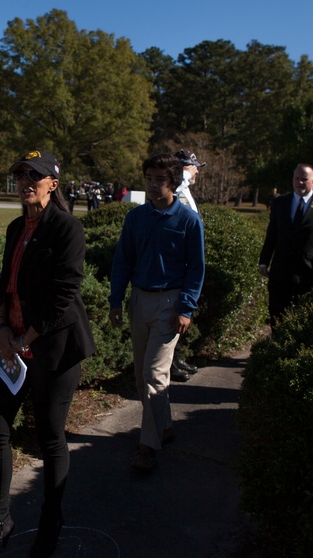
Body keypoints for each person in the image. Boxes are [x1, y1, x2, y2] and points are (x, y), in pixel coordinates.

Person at [0, 150, 96, 558]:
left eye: (34, 176)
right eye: (21, 175)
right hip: (13, 347)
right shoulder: (14, 227)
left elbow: (64, 295)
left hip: (53, 349)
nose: (25, 181)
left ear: (53, 184)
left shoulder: (67, 228)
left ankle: (51, 524)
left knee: (50, 439)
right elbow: (7, 283)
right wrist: (2, 327)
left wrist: (29, 336)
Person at [109, 154, 205, 471]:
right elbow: (122, 260)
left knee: (153, 375)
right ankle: (163, 426)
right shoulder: (136, 218)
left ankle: (147, 447)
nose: (152, 184)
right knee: (142, 377)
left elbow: (196, 269)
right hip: (139, 300)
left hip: (170, 303)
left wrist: (186, 308)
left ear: (174, 183)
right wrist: (116, 301)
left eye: (160, 179)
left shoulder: (189, 221)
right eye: (149, 177)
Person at [257, 164, 313, 327]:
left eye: (304, 179)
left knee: (307, 318)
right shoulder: (280, 203)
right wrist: (264, 260)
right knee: (277, 315)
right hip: (281, 271)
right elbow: (272, 234)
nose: (300, 183)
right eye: (297, 179)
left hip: (310, 271)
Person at [169, 148, 206, 381]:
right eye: (192, 168)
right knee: (173, 316)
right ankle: (171, 364)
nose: (195, 174)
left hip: (186, 262)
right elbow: (173, 188)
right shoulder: (176, 187)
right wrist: (182, 174)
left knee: (181, 314)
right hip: (175, 265)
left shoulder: (186, 190)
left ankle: (177, 358)